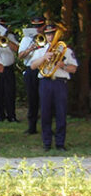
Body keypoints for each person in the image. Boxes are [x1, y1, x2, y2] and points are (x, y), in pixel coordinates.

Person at [30, 23, 78, 151]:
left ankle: (60, 143)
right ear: (44, 36)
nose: (50, 37)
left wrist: (62, 65)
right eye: (48, 34)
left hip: (60, 83)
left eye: (52, 34)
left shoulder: (66, 50)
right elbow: (33, 66)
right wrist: (44, 58)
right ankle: (46, 143)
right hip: (45, 82)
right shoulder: (40, 50)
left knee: (61, 113)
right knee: (45, 113)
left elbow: (73, 69)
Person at [18, 16, 47, 135]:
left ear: (44, 25)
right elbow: (20, 56)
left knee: (46, 99)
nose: (38, 29)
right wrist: (30, 49)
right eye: (35, 26)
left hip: (45, 69)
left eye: (40, 26)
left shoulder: (49, 37)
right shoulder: (27, 39)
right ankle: (32, 127)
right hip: (31, 70)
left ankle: (47, 127)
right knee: (32, 99)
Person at [0, 17, 19, 122]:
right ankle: (0, 115)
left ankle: (12, 115)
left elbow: (17, 49)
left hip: (8, 68)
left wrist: (6, 39)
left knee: (10, 92)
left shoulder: (10, 37)